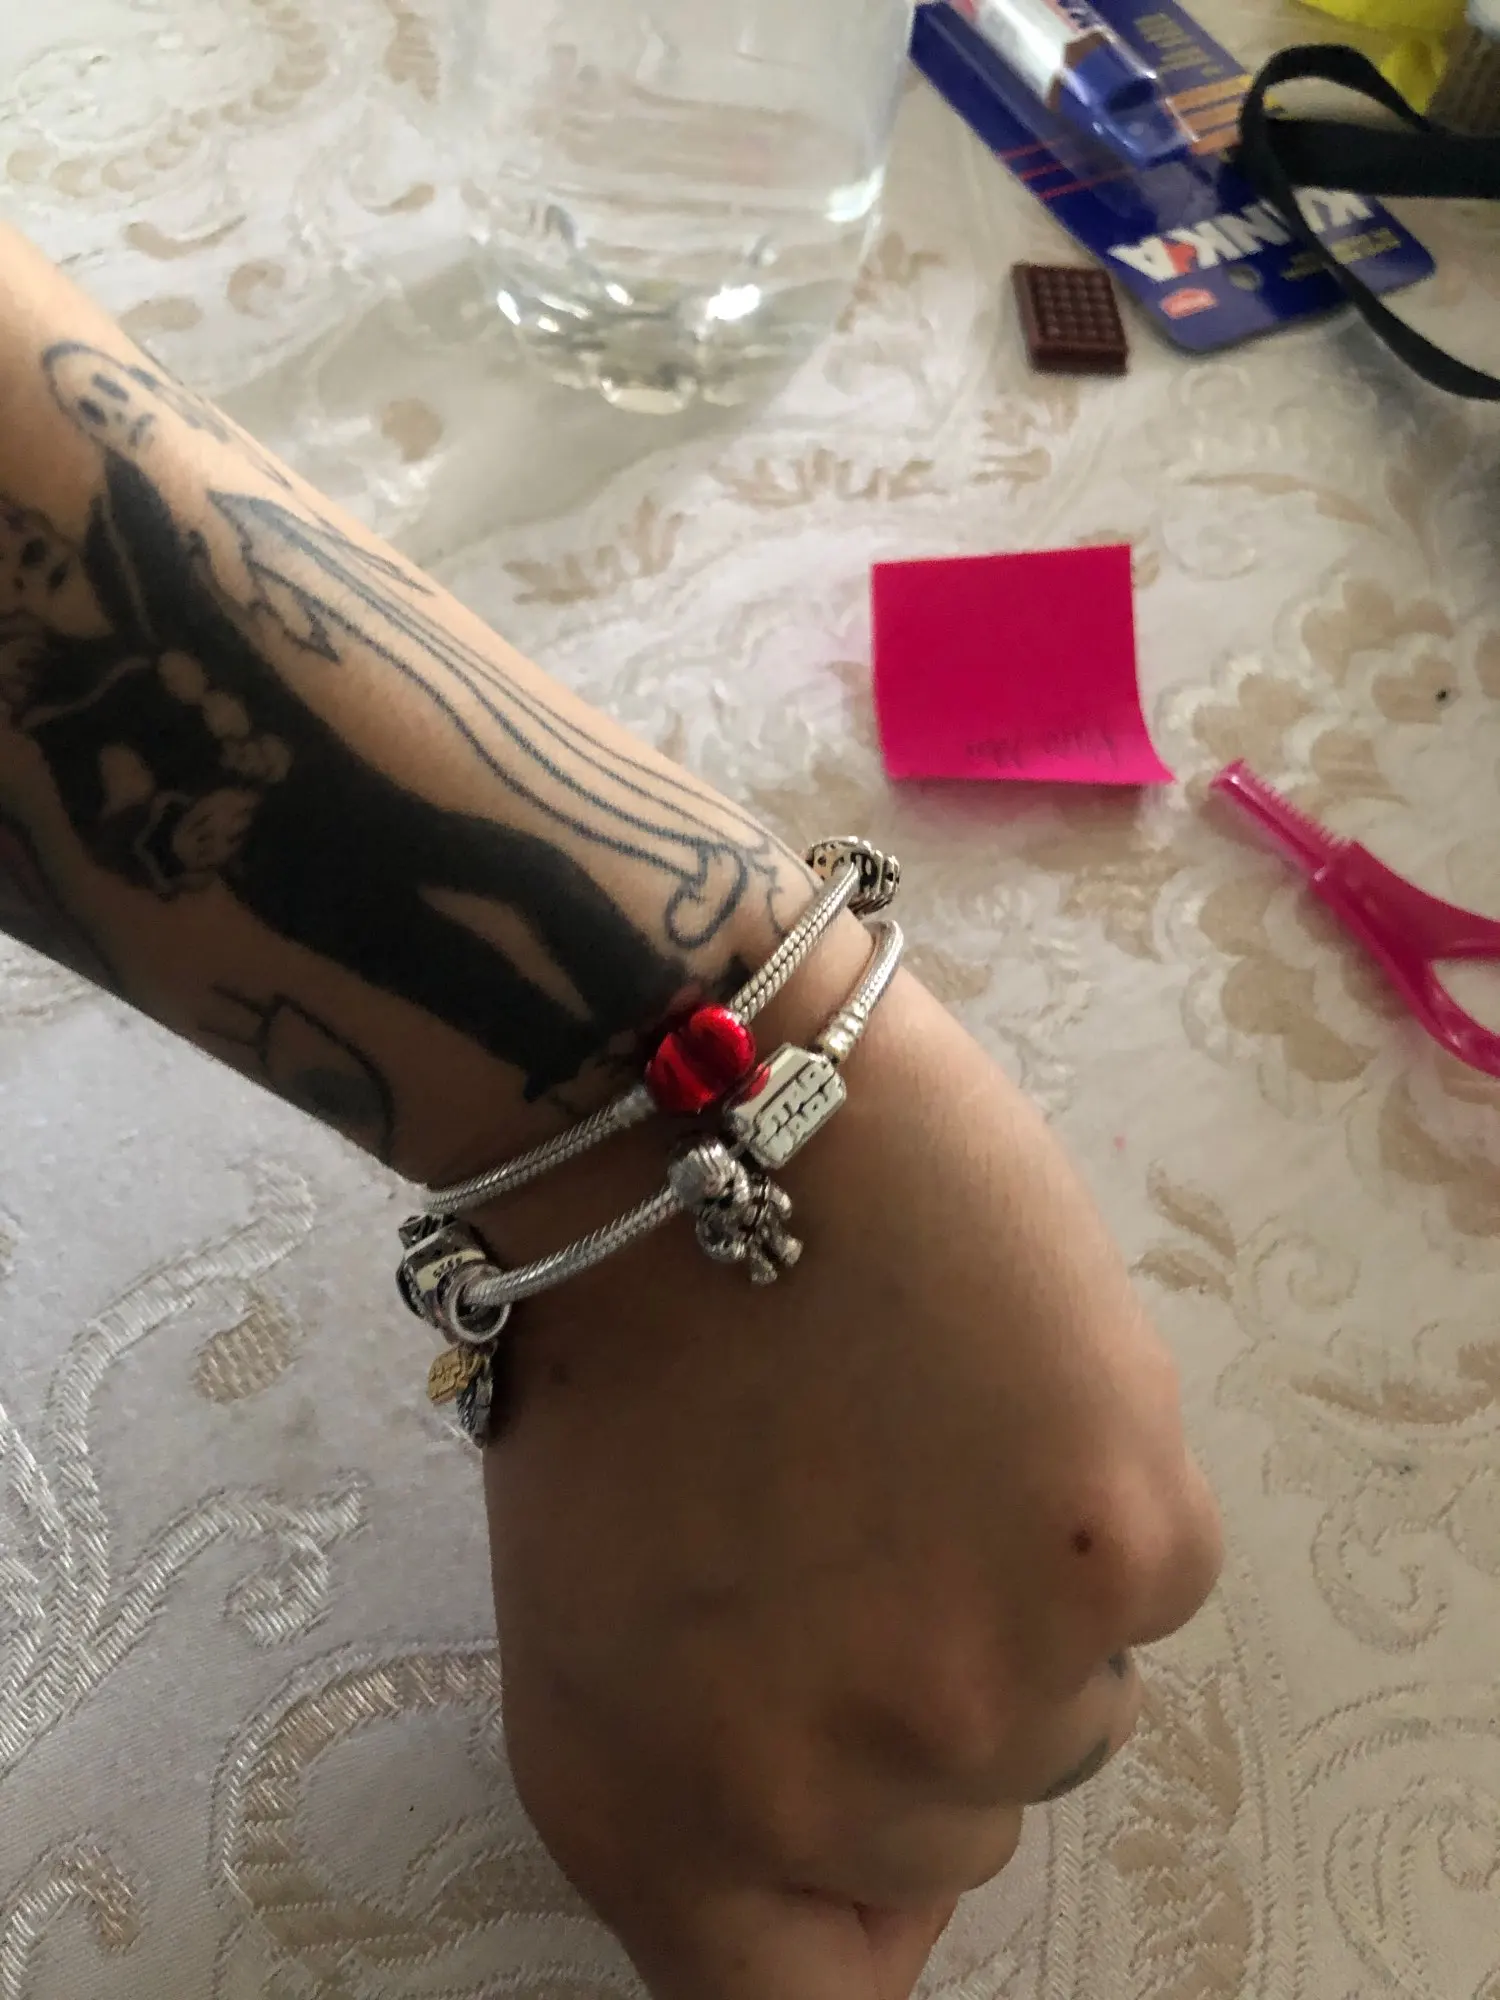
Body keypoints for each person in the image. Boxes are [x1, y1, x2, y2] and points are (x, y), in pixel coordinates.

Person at [0, 222, 1221, 2000]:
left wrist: (733, 1065)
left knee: (478, 881)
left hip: (380, 850)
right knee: (443, 937)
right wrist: (693, 1165)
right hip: (302, 867)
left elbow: (156, 556)